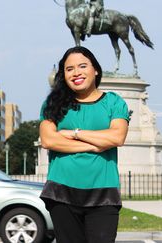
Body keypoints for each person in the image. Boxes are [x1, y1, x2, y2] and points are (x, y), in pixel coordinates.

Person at [39, 46, 129, 243]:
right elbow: (49, 140)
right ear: (63, 74)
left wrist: (74, 133)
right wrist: (95, 144)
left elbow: (117, 137)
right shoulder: (54, 104)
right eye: (69, 69)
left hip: (103, 193)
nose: (76, 73)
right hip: (61, 193)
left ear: (95, 69)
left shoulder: (114, 102)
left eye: (82, 66)